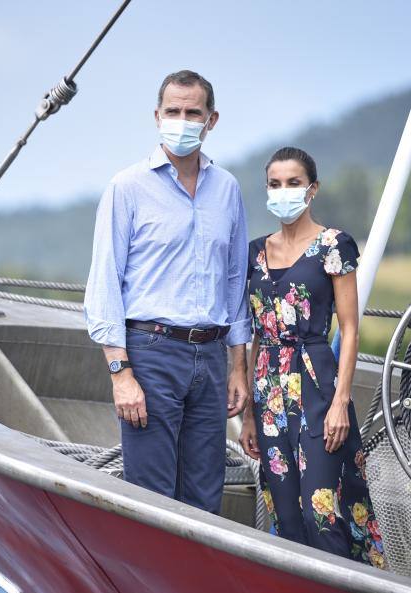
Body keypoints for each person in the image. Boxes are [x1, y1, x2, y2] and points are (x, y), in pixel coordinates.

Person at [84, 70, 251, 514]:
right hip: (151, 352)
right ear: (157, 116)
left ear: (211, 120)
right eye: (173, 111)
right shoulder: (127, 187)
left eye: (192, 112)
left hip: (212, 358)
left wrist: (238, 368)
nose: (182, 120)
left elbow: (235, 281)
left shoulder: (228, 190)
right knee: (152, 498)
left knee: (205, 497)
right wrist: (121, 374)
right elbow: (104, 282)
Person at [238, 147, 385, 568]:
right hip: (268, 388)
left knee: (320, 511)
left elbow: (350, 329)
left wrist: (342, 401)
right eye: (275, 184)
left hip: (317, 383)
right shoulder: (254, 253)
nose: (284, 191)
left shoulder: (334, 244)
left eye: (294, 183)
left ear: (312, 189)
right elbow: (254, 334)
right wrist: (249, 412)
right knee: (285, 514)